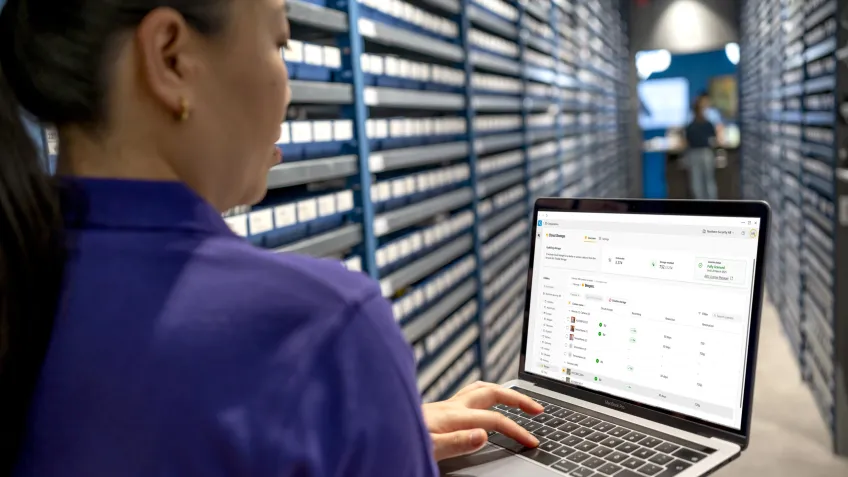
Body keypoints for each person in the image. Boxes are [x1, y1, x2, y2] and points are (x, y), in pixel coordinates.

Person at [0, 1, 543, 475]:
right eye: (278, 42)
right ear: (170, 58)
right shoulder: (322, 328)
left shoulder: (21, 282)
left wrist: (352, 435)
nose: (286, 90)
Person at [684, 94, 722, 200]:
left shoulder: (708, 120)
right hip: (698, 153)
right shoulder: (694, 121)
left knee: (705, 182)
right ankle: (704, 207)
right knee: (700, 183)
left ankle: (708, 207)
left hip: (703, 153)